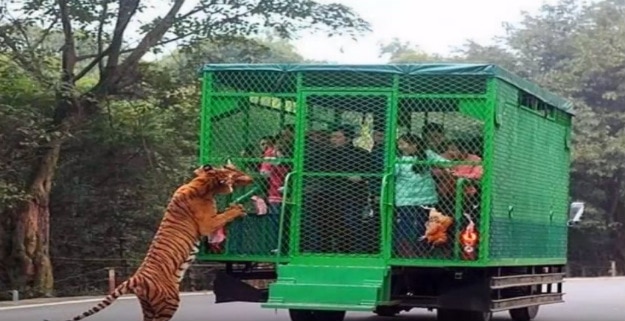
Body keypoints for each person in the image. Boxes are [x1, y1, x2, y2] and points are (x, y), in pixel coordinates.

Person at [392, 133, 450, 258]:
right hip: (406, 198)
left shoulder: (426, 154)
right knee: (406, 224)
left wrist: (447, 167)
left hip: (426, 197)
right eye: (399, 144)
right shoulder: (398, 157)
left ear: (414, 144)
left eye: (403, 144)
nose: (400, 147)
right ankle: (406, 252)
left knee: (424, 224)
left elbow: (443, 161)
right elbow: (393, 173)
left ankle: (422, 250)